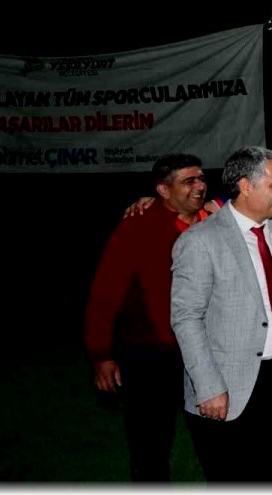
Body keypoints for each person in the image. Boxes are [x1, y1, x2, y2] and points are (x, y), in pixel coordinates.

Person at [170, 146, 272, 482]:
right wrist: (208, 387)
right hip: (225, 384)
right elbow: (186, 317)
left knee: (269, 477)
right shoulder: (201, 240)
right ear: (246, 186)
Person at [83, 154, 209, 481]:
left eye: (201, 178)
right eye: (189, 181)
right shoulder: (136, 228)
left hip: (208, 352)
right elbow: (105, 294)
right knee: (149, 446)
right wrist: (101, 355)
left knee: (216, 439)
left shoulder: (215, 223)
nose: (199, 186)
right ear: (163, 191)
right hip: (150, 355)